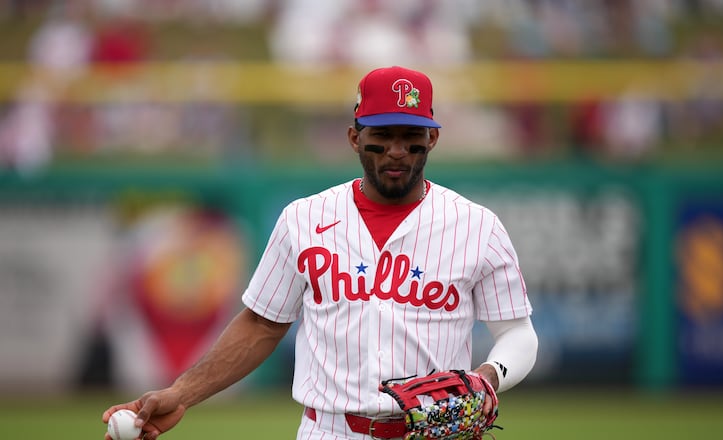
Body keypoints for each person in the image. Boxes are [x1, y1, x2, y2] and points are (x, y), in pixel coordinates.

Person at [102, 66, 539, 440]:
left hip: (429, 431)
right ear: (353, 137)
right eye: (382, 136)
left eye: (412, 137)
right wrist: (180, 394)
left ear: (433, 140)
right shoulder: (304, 219)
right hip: (329, 429)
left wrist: (489, 375)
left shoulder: (477, 226)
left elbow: (518, 332)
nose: (397, 151)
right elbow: (260, 324)